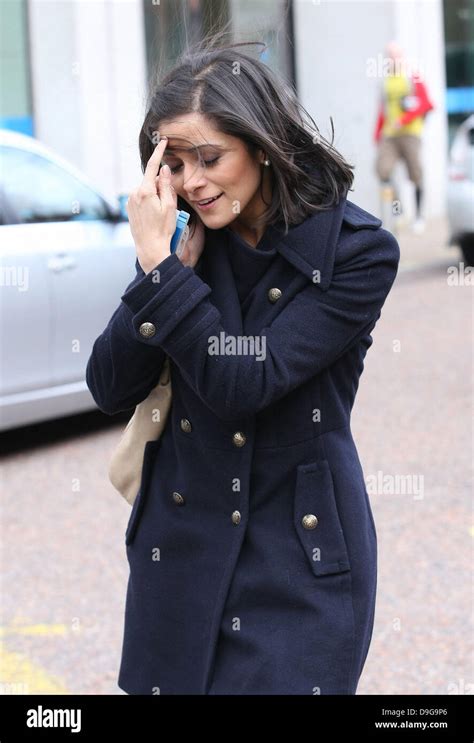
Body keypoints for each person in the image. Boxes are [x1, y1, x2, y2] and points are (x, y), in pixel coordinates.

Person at [86, 38, 400, 695]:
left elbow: (244, 382)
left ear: (259, 144)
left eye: (209, 157)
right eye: (174, 160)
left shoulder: (357, 252)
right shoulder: (184, 236)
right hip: (182, 547)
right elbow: (109, 386)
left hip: (298, 559)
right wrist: (160, 265)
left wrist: (167, 278)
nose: (192, 180)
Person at [374, 40, 434, 234]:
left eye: (396, 55)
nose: (393, 59)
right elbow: (383, 110)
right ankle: (398, 212)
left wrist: (406, 118)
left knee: (415, 174)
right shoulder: (386, 81)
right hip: (390, 135)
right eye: (390, 55)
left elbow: (427, 104)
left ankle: (418, 216)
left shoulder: (412, 77)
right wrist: (378, 133)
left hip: (410, 133)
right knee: (383, 171)